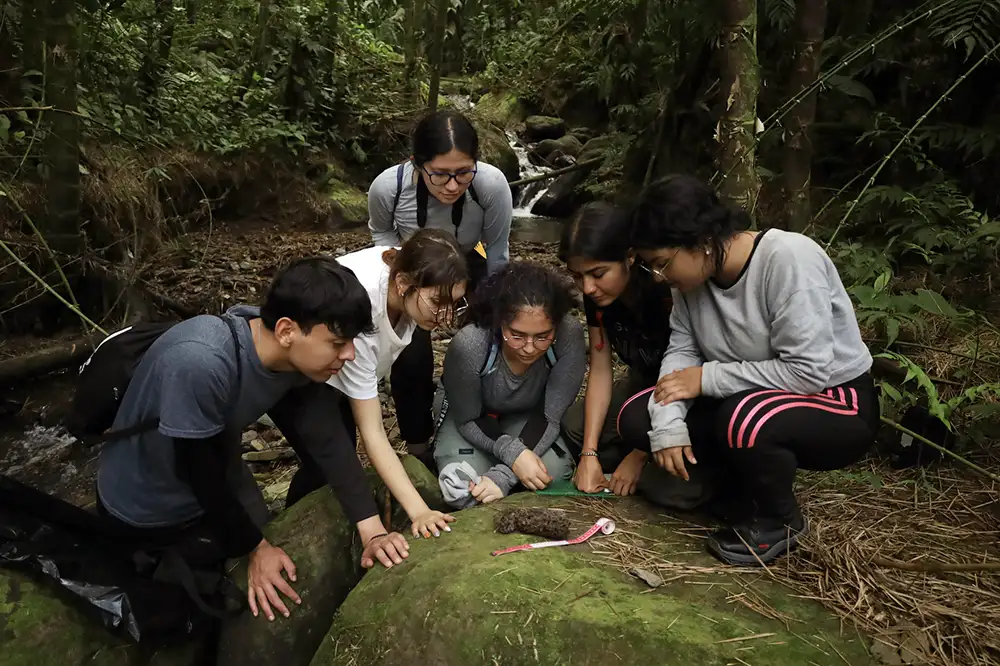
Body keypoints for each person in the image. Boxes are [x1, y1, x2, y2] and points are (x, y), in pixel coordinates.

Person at [96, 257, 408, 625]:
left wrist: (371, 529)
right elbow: (201, 473)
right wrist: (255, 549)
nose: (350, 355)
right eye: (338, 342)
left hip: (219, 468)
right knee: (241, 604)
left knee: (279, 552)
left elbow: (327, 439)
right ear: (288, 330)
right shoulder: (202, 361)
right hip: (146, 507)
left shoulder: (290, 359)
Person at [629, 174, 878, 566]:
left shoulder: (788, 258)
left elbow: (808, 372)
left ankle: (780, 519)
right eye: (652, 267)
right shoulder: (689, 285)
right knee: (638, 415)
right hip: (747, 395)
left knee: (744, 418)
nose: (660, 278)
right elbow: (681, 353)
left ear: (702, 238)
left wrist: (707, 379)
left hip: (835, 400)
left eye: (663, 263)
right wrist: (667, 427)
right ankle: (731, 489)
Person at [284, 228, 470, 537]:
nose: (446, 315)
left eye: (455, 302)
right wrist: (419, 511)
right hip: (303, 369)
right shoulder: (361, 313)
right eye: (439, 302)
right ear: (402, 283)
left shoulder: (411, 264)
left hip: (336, 360)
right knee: (328, 457)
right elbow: (373, 434)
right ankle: (292, 529)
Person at [367, 109, 513, 463]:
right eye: (441, 175)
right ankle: (419, 449)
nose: (452, 185)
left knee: (488, 339)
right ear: (417, 165)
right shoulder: (388, 188)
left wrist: (494, 312)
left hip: (470, 260)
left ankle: (488, 423)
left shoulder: (491, 186)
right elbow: (383, 246)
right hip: (413, 266)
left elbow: (497, 252)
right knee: (409, 354)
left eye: (463, 173)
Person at [559, 202, 699, 503]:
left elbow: (687, 370)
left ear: (630, 256)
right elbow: (599, 369)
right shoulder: (596, 297)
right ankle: (620, 459)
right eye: (577, 276)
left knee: (675, 491)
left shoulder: (666, 290)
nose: (587, 288)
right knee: (574, 426)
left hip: (684, 393)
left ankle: (652, 459)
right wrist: (588, 454)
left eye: (598, 273)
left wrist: (639, 455)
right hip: (640, 385)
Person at [434, 262, 586, 508]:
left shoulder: (569, 336)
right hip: (472, 418)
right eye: (517, 335)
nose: (528, 348)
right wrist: (513, 455)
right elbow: (467, 418)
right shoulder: (471, 344)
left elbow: (550, 415)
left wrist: (503, 475)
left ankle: (505, 485)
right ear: (500, 322)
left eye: (542, 337)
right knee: (462, 488)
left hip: (530, 416)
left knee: (553, 474)